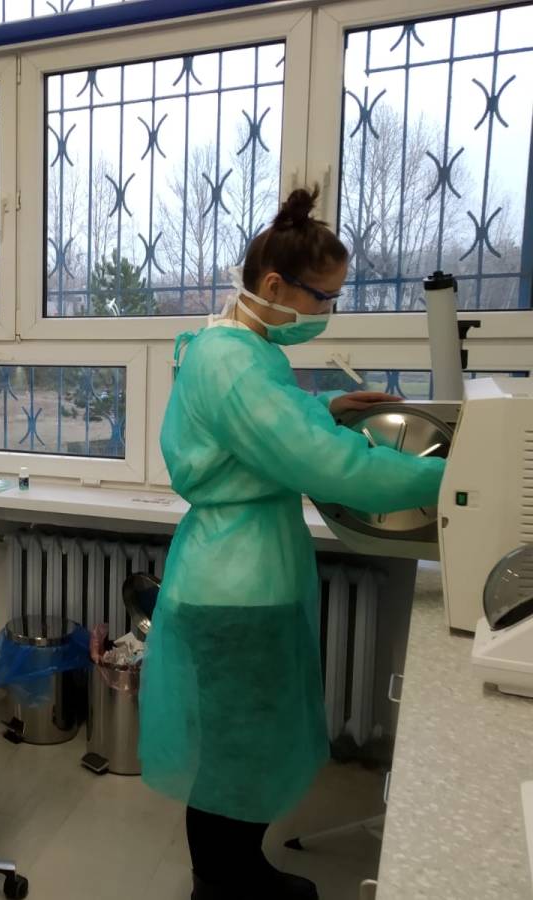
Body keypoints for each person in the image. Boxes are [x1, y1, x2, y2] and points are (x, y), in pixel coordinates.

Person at [138, 188, 446, 900]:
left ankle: (234, 872)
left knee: (237, 748)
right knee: (234, 755)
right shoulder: (234, 362)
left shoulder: (236, 347)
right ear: (275, 286)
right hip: (236, 589)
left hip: (235, 569)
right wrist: (449, 478)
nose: (327, 312)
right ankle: (225, 883)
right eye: (322, 297)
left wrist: (325, 405)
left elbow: (264, 426)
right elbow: (328, 465)